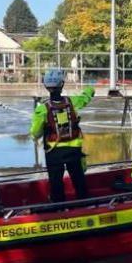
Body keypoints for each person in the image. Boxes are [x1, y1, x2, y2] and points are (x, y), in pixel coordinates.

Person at [30, 68, 95, 202]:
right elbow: (86, 97)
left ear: (46, 86)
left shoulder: (42, 109)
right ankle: (84, 203)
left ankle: (58, 207)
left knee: (55, 182)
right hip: (74, 149)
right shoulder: (73, 102)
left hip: (53, 151)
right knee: (78, 178)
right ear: (62, 85)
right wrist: (90, 88)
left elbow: (35, 132)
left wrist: (35, 137)